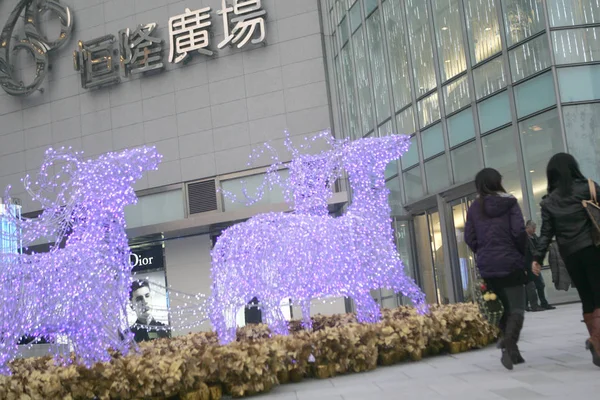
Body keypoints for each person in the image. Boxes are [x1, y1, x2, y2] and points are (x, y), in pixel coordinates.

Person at [531, 153, 600, 368]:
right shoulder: (589, 187)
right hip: (593, 249)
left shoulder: (549, 201)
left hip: (570, 254)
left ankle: (597, 342)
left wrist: (537, 257)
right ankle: (597, 341)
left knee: (586, 297)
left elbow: (546, 233)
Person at [465, 168, 528, 370]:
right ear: (498, 182)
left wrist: (482, 250)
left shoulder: (475, 207)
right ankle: (508, 342)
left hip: (488, 265)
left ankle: (511, 352)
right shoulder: (510, 203)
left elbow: (469, 236)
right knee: (517, 307)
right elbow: (518, 231)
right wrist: (520, 252)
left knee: (501, 308)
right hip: (510, 262)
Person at [525, 221, 556, 310]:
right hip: (528, 265)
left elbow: (541, 246)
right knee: (532, 286)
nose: (534, 230)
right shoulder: (523, 238)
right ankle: (534, 305)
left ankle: (542, 303)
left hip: (534, 264)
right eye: (533, 228)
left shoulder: (534, 237)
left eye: (535, 228)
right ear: (528, 227)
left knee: (539, 284)